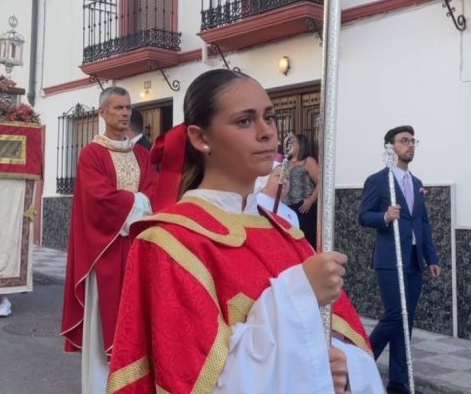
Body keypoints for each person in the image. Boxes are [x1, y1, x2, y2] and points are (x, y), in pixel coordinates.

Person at [107, 70, 382, 394]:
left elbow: (340, 338)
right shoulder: (171, 242)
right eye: (244, 121)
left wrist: (344, 364)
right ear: (200, 138)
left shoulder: (287, 235)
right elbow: (198, 381)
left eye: (270, 117)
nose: (267, 132)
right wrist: (298, 295)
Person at [61, 86, 156, 394]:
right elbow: (100, 199)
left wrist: (135, 200)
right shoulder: (92, 154)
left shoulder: (142, 154)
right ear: (102, 112)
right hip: (106, 252)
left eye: (128, 108)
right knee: (105, 327)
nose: (125, 113)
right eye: (118, 108)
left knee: (141, 322)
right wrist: (139, 201)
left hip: (139, 249)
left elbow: (157, 192)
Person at [359, 125, 441, 394]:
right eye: (404, 141)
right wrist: (385, 216)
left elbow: (423, 223)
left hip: (414, 260)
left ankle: (397, 379)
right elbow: (363, 215)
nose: (410, 145)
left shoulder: (416, 184)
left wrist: (431, 257)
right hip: (390, 259)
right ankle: (361, 360)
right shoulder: (379, 180)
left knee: (407, 320)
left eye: (412, 140)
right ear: (390, 148)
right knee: (395, 315)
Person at [282, 133, 320, 248]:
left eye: (292, 142)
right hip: (286, 208)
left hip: (303, 208)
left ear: (301, 145)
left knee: (306, 240)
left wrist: (310, 201)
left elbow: (321, 183)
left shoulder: (308, 161)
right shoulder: (285, 163)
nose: (289, 144)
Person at [255, 162, 300, 228]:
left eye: (287, 178)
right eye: (279, 176)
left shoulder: (292, 214)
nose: (284, 181)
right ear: (267, 178)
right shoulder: (253, 201)